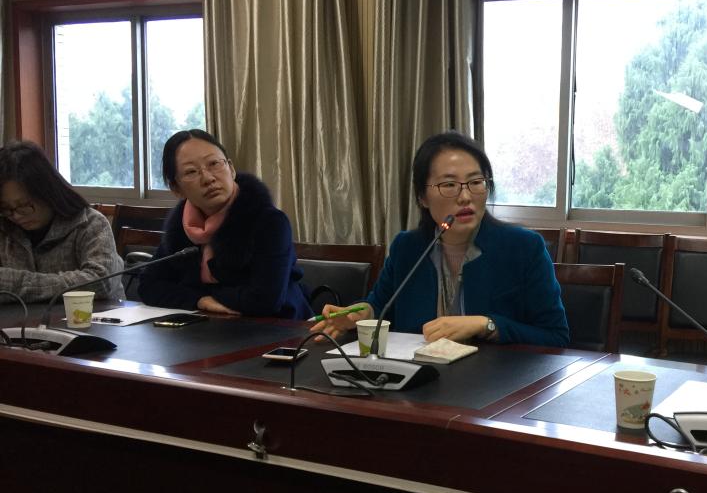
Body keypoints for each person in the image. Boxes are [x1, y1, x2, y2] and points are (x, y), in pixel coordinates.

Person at [313, 131, 569, 346]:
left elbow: (556, 336)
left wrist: (487, 324)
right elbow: (380, 305)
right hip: (419, 381)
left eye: (475, 182)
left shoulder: (523, 248)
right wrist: (359, 315)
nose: (465, 196)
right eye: (449, 185)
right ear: (422, 197)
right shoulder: (407, 248)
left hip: (496, 384)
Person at [138, 129, 311, 319]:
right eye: (191, 172)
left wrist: (193, 292)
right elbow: (148, 285)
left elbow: (265, 300)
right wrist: (201, 300)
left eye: (214, 164)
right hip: (210, 328)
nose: (208, 178)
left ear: (231, 169)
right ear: (176, 188)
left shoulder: (269, 221)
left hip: (279, 327)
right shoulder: (181, 228)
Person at [0, 140, 124, 303]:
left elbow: (100, 282)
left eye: (24, 205)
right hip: (19, 318)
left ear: (47, 192)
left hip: (91, 317)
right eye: (6, 208)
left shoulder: (89, 224)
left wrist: (14, 284)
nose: (16, 216)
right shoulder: (5, 226)